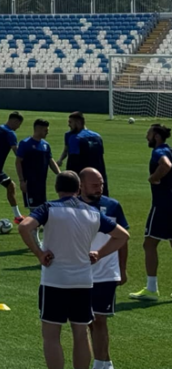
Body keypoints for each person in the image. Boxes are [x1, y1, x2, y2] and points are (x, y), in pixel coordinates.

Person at [17, 171, 129, 369]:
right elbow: (122, 236)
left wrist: (39, 253)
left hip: (54, 280)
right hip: (83, 282)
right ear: (79, 188)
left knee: (51, 336)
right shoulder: (93, 212)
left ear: (57, 189)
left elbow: (25, 227)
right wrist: (99, 254)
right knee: (81, 332)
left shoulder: (49, 208)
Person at [80, 167, 128, 369]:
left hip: (105, 273)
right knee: (85, 321)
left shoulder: (112, 206)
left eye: (101, 184)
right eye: (94, 185)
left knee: (99, 319)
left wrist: (122, 270)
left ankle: (102, 364)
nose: (100, 188)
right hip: (78, 274)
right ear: (81, 185)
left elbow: (123, 240)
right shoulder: (71, 206)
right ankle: (102, 361)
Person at [128, 123, 172, 301]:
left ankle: (152, 288)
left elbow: (166, 165)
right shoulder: (169, 149)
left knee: (149, 244)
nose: (146, 136)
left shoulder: (159, 151)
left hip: (162, 206)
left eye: (148, 133)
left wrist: (154, 177)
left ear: (156, 136)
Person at [15, 119, 62, 248]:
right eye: (45, 130)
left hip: (42, 186)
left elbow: (50, 160)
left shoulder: (45, 145)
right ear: (38, 129)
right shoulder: (25, 144)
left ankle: (37, 240)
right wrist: (21, 180)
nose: (48, 132)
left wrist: (60, 175)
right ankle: (36, 242)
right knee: (35, 214)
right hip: (30, 184)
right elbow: (18, 162)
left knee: (41, 213)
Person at [61, 113, 109, 196]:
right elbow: (101, 160)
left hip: (83, 182)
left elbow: (73, 163)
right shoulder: (97, 136)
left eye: (70, 122)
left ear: (78, 122)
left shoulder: (75, 138)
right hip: (99, 178)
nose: (68, 124)